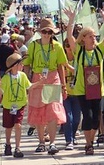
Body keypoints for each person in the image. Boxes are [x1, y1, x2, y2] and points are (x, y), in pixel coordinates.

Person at [63, 7, 104, 155]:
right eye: (91, 36)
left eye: (95, 36)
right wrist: (71, 19)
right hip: (82, 89)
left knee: (96, 118)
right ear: (84, 38)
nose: (94, 38)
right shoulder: (78, 51)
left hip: (98, 89)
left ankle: (90, 141)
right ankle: (88, 143)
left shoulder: (99, 50)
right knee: (88, 116)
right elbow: (69, 36)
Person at [23, 18, 68, 155]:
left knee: (53, 111)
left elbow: (61, 67)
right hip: (38, 79)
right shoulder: (33, 46)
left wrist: (64, 86)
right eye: (44, 32)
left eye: (49, 32)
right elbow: (26, 65)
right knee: (38, 110)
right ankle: (41, 142)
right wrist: (26, 85)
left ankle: (52, 143)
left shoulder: (57, 46)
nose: (47, 34)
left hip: (53, 79)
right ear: (40, 32)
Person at [0, 53, 42, 158]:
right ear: (14, 65)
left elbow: (29, 86)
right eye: (20, 64)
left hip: (20, 104)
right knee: (8, 127)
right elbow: (1, 92)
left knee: (18, 125)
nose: (22, 65)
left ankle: (17, 147)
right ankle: (8, 144)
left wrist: (40, 82)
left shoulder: (22, 76)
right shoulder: (5, 78)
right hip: (8, 106)